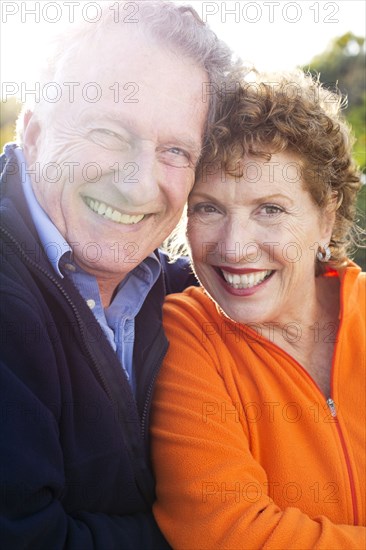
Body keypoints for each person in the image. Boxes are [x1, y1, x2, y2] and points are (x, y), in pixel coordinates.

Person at [0, 1, 237, 547]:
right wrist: (211, 530)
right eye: (108, 132)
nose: (137, 186)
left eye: (175, 150)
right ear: (34, 135)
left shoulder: (188, 294)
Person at [151, 70, 366, 549]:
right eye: (208, 208)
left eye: (270, 209)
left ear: (326, 217)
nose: (235, 247)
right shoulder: (183, 335)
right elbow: (228, 534)